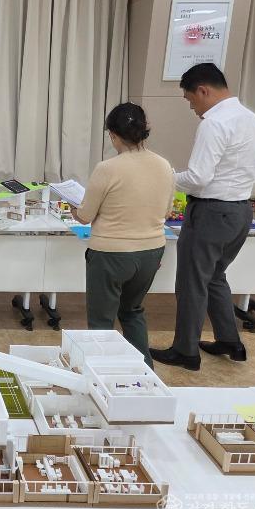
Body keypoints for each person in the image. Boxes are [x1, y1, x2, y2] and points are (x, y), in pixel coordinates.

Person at [150, 63, 255, 370]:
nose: (193, 109)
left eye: (191, 101)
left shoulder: (214, 123)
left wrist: (165, 176)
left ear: (203, 90)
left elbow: (198, 178)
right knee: (215, 276)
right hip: (240, 211)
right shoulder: (251, 119)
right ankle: (230, 341)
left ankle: (185, 351)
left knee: (192, 283)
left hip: (211, 212)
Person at [72, 103, 174, 367]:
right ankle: (145, 372)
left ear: (113, 135)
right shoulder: (164, 166)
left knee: (101, 321)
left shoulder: (107, 168)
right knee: (132, 311)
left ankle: (102, 375)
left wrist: (74, 209)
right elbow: (167, 211)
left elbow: (85, 216)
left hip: (111, 254)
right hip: (151, 251)